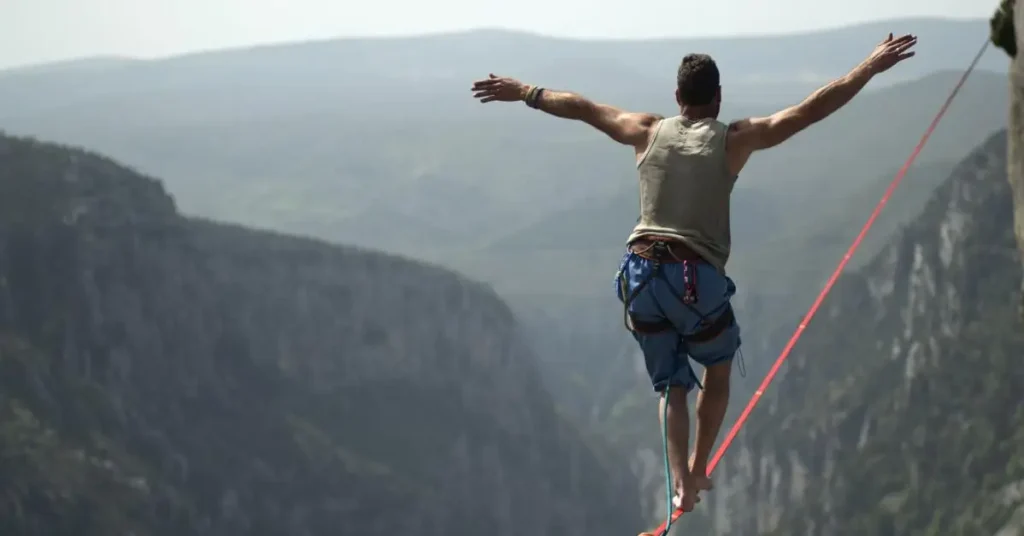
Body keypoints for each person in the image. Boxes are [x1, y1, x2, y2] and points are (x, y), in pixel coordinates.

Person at [470, 33, 917, 516]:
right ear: (717, 97)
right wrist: (868, 67)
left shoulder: (644, 129)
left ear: (677, 97)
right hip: (693, 277)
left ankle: (678, 479)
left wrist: (526, 91)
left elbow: (580, 106)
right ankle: (698, 469)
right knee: (718, 372)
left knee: (671, 387)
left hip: (639, 276)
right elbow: (808, 111)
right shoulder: (734, 138)